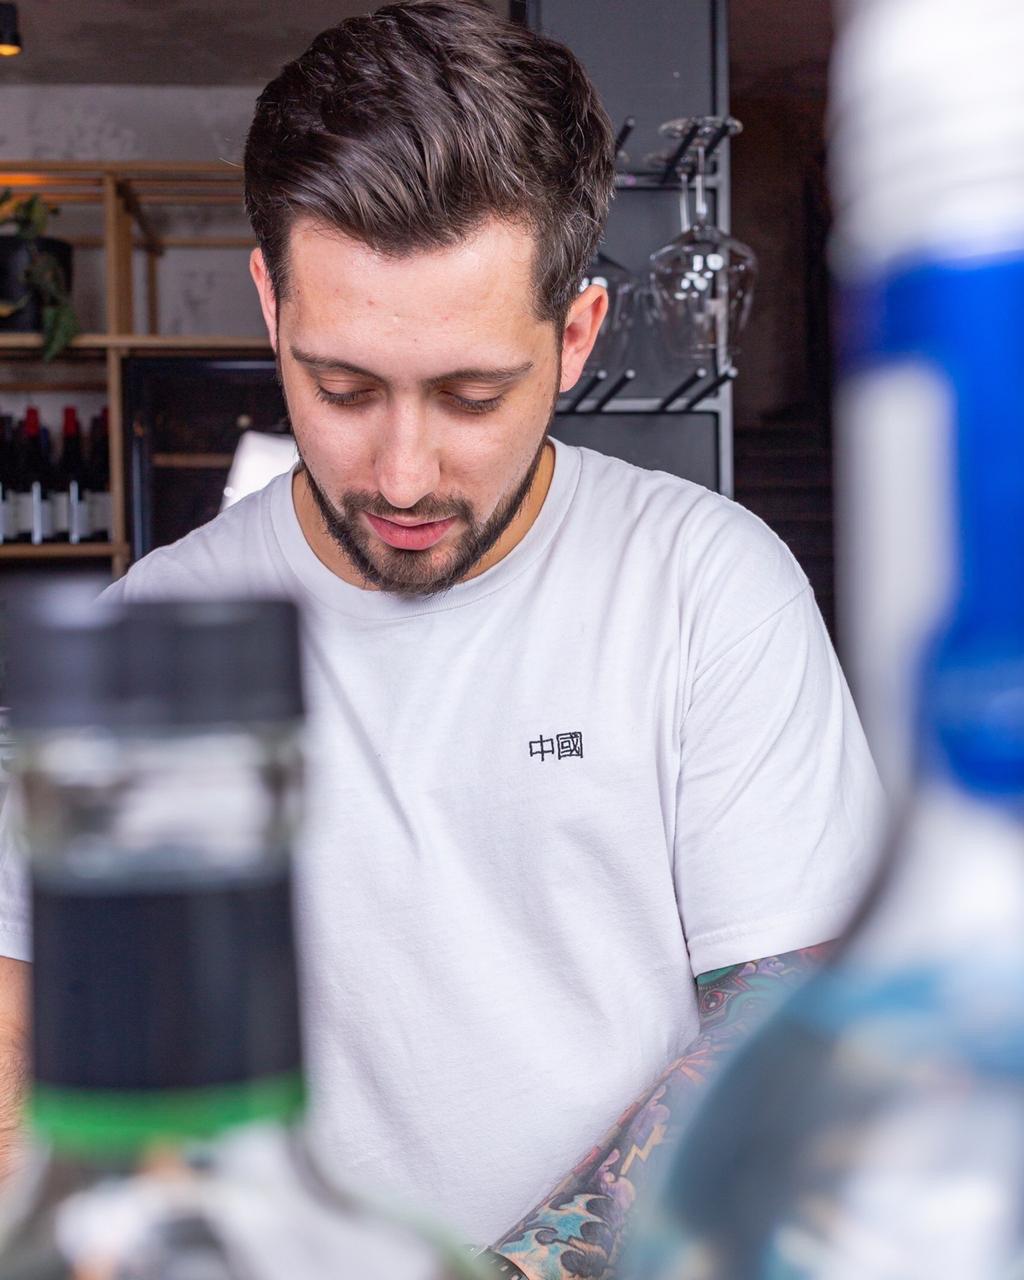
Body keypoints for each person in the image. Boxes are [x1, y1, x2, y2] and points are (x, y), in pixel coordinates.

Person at [0, 2, 883, 1275]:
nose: (403, 474)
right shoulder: (153, 636)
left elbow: (792, 1019)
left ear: (573, 336)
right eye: (342, 388)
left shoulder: (704, 585)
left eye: (471, 395)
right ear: (270, 303)